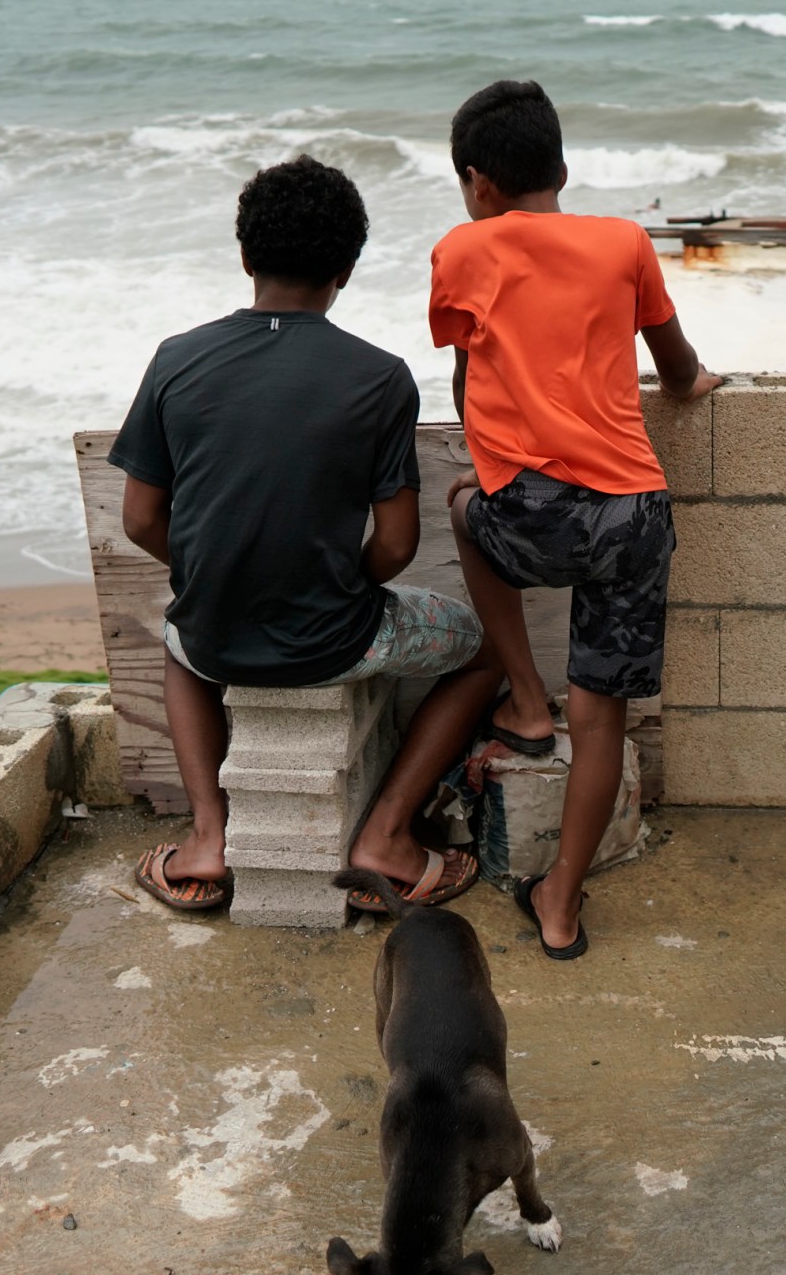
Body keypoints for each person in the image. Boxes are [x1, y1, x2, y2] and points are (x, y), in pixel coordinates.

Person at [111, 155, 505, 914]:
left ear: (245, 255)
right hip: (333, 641)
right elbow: (394, 546)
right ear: (346, 270)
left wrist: (210, 570)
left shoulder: (176, 360)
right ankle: (386, 837)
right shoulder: (380, 377)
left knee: (180, 641)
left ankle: (206, 840)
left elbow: (138, 519)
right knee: (485, 653)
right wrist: (335, 579)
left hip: (216, 633)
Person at [432, 80, 721, 959]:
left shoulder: (464, 251)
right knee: (603, 722)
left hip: (533, 510)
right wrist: (696, 389)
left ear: (478, 182)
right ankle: (560, 906)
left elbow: (465, 369)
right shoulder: (626, 242)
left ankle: (523, 699)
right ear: (562, 166)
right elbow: (676, 369)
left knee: (458, 507)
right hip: (636, 511)